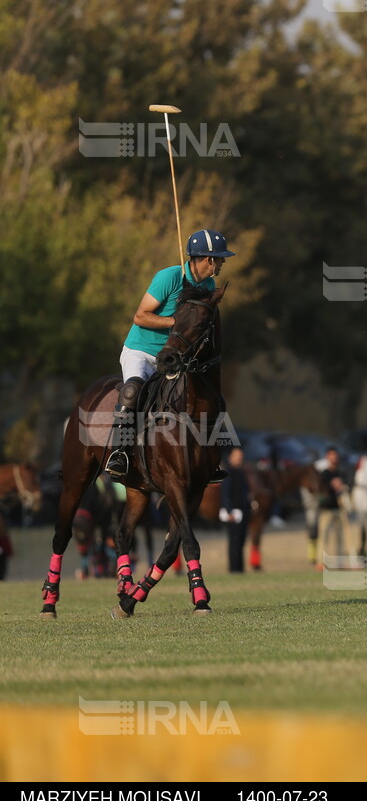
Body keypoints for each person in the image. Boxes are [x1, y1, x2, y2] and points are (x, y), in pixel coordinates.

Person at [105, 229, 235, 481]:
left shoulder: (208, 285)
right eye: (220, 258)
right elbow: (140, 316)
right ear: (208, 259)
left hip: (173, 358)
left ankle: (208, 459)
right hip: (141, 352)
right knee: (132, 392)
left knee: (205, 398)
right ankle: (119, 452)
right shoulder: (170, 277)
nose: (222, 263)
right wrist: (175, 322)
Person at [316, 446, 350, 568]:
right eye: (331, 455)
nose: (334, 457)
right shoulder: (324, 474)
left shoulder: (341, 472)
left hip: (339, 508)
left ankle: (339, 561)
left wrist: (342, 486)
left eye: (335, 455)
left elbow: (347, 485)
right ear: (327, 457)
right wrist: (331, 485)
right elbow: (321, 488)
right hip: (327, 509)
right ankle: (321, 561)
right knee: (324, 536)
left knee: (340, 537)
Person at [219, 447, 252, 573]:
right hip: (233, 513)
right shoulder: (228, 473)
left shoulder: (241, 472)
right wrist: (229, 511)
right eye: (237, 456)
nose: (239, 459)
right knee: (234, 541)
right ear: (230, 457)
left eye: (241, 456)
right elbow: (225, 494)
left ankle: (240, 568)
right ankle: (234, 569)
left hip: (243, 512)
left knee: (241, 541)